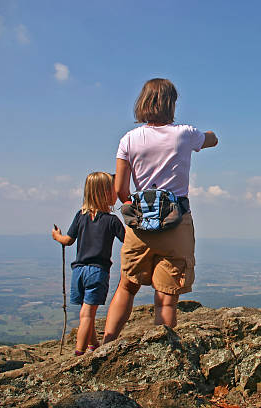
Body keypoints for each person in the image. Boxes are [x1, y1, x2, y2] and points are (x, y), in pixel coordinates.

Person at [103, 78, 218, 343]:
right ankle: (163, 349)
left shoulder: (129, 140)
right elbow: (212, 140)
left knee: (127, 285)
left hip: (140, 225)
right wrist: (208, 135)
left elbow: (121, 189)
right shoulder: (184, 134)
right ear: (171, 104)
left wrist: (135, 208)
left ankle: (107, 344)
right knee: (166, 298)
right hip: (176, 222)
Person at [52, 172, 125, 355]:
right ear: (106, 193)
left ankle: (93, 345)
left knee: (86, 312)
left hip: (78, 271)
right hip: (97, 272)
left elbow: (67, 240)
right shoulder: (112, 221)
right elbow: (129, 241)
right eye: (113, 189)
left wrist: (56, 236)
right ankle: (79, 354)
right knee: (87, 314)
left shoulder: (81, 216)